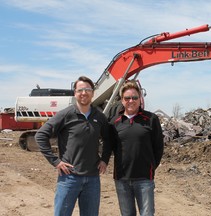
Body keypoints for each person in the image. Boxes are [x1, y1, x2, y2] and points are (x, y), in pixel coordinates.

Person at [35, 76, 109, 216]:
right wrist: (55, 162)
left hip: (93, 179)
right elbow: (40, 135)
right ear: (75, 93)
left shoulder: (99, 117)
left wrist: (104, 159)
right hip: (69, 178)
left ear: (93, 93)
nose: (84, 93)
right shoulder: (65, 114)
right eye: (80, 90)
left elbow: (108, 139)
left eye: (87, 89)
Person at [101, 80, 164, 216]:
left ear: (140, 99)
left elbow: (158, 147)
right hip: (122, 179)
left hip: (144, 179)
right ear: (122, 100)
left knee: (147, 213)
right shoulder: (114, 122)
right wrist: (103, 161)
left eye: (134, 97)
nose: (131, 101)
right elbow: (108, 146)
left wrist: (152, 166)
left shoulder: (151, 119)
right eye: (127, 98)